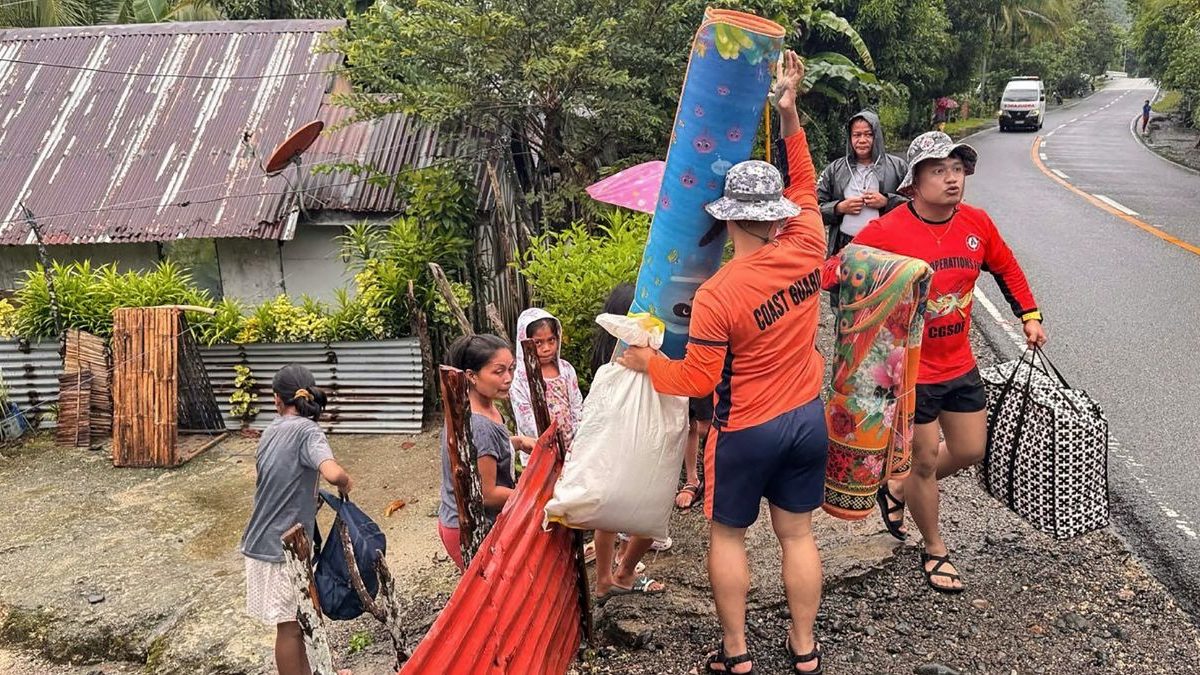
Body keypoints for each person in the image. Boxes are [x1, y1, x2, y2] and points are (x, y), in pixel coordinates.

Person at [620, 50, 827, 675]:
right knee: (797, 536)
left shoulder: (718, 294)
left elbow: (697, 381)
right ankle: (804, 651)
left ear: (728, 215)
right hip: (807, 419)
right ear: (778, 213)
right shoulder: (811, 242)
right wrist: (788, 114)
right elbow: (808, 185)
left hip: (746, 431)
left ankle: (736, 654)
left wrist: (643, 363)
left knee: (729, 538)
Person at [825, 130, 1047, 594]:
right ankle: (934, 548)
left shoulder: (977, 223)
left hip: (960, 363)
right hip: (912, 372)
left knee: (970, 450)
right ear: (914, 182)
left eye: (958, 169)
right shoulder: (888, 229)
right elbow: (839, 270)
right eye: (939, 170)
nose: (953, 179)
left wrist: (1028, 314)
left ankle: (899, 487)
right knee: (924, 460)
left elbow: (1006, 267)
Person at [240, 364, 352, 675]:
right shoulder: (308, 431)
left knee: (299, 619)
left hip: (264, 539)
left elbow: (276, 481)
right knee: (289, 627)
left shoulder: (271, 430)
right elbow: (331, 472)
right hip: (279, 549)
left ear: (277, 400)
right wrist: (344, 482)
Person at [587, 283, 668, 601]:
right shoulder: (625, 360)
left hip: (617, 442)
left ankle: (615, 575)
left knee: (616, 513)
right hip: (632, 442)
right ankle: (618, 574)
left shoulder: (615, 358)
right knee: (647, 509)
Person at [436, 334, 536, 571]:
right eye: (498, 371)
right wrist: (533, 497)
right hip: (467, 526)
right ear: (471, 376)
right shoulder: (479, 425)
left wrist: (517, 442)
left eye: (510, 369)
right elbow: (487, 494)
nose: (508, 378)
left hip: (461, 519)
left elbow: (485, 454)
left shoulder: (481, 408)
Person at [816, 110, 908, 257]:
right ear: (850, 138)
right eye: (857, 135)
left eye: (868, 134)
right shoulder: (834, 169)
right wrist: (838, 208)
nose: (862, 140)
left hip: (886, 248)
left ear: (877, 136)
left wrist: (886, 202)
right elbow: (814, 210)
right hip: (844, 246)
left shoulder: (898, 167)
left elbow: (916, 206)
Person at [510, 307, 584, 465]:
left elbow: (576, 404)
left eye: (551, 340)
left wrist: (578, 438)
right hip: (539, 450)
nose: (546, 348)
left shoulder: (566, 370)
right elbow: (525, 418)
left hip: (572, 449)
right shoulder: (521, 379)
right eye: (538, 342)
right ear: (526, 342)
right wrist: (548, 441)